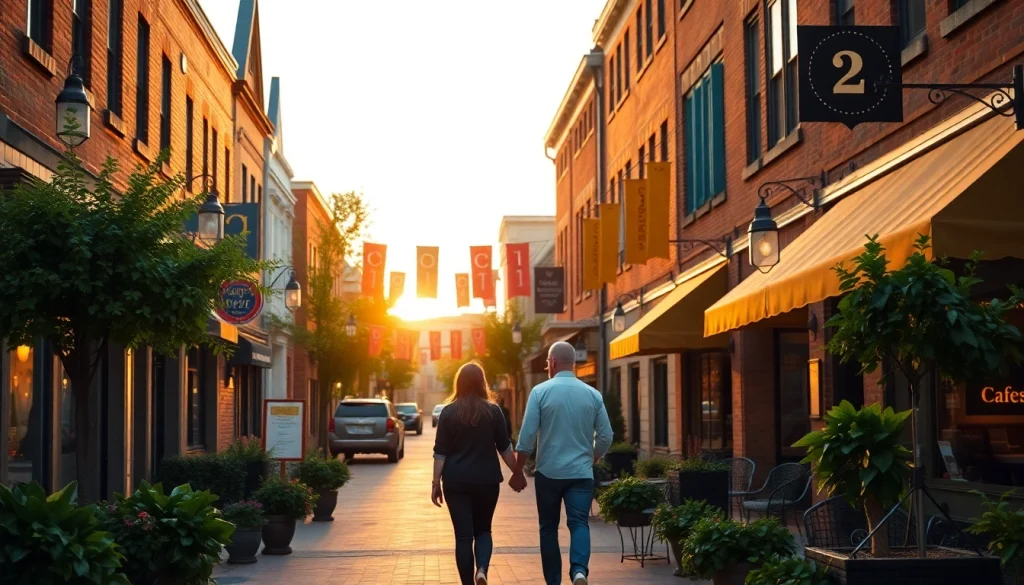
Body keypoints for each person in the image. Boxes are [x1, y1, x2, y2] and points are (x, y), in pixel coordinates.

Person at [510, 341, 614, 585]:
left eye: (547, 362)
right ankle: (579, 571)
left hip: (549, 473)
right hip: (581, 474)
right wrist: (594, 456)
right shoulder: (593, 394)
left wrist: (517, 472)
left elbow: (526, 437)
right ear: (573, 364)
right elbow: (607, 436)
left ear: (553, 362)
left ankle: (553, 581)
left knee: (548, 528)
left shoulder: (540, 392)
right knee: (579, 523)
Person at [432, 361, 517, 585]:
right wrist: (516, 473)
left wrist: (435, 484)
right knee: (483, 530)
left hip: (455, 481)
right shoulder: (493, 411)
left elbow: (440, 452)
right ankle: (482, 569)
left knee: (462, 536)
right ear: (482, 383)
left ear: (459, 383)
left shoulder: (448, 412)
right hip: (487, 481)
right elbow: (505, 447)